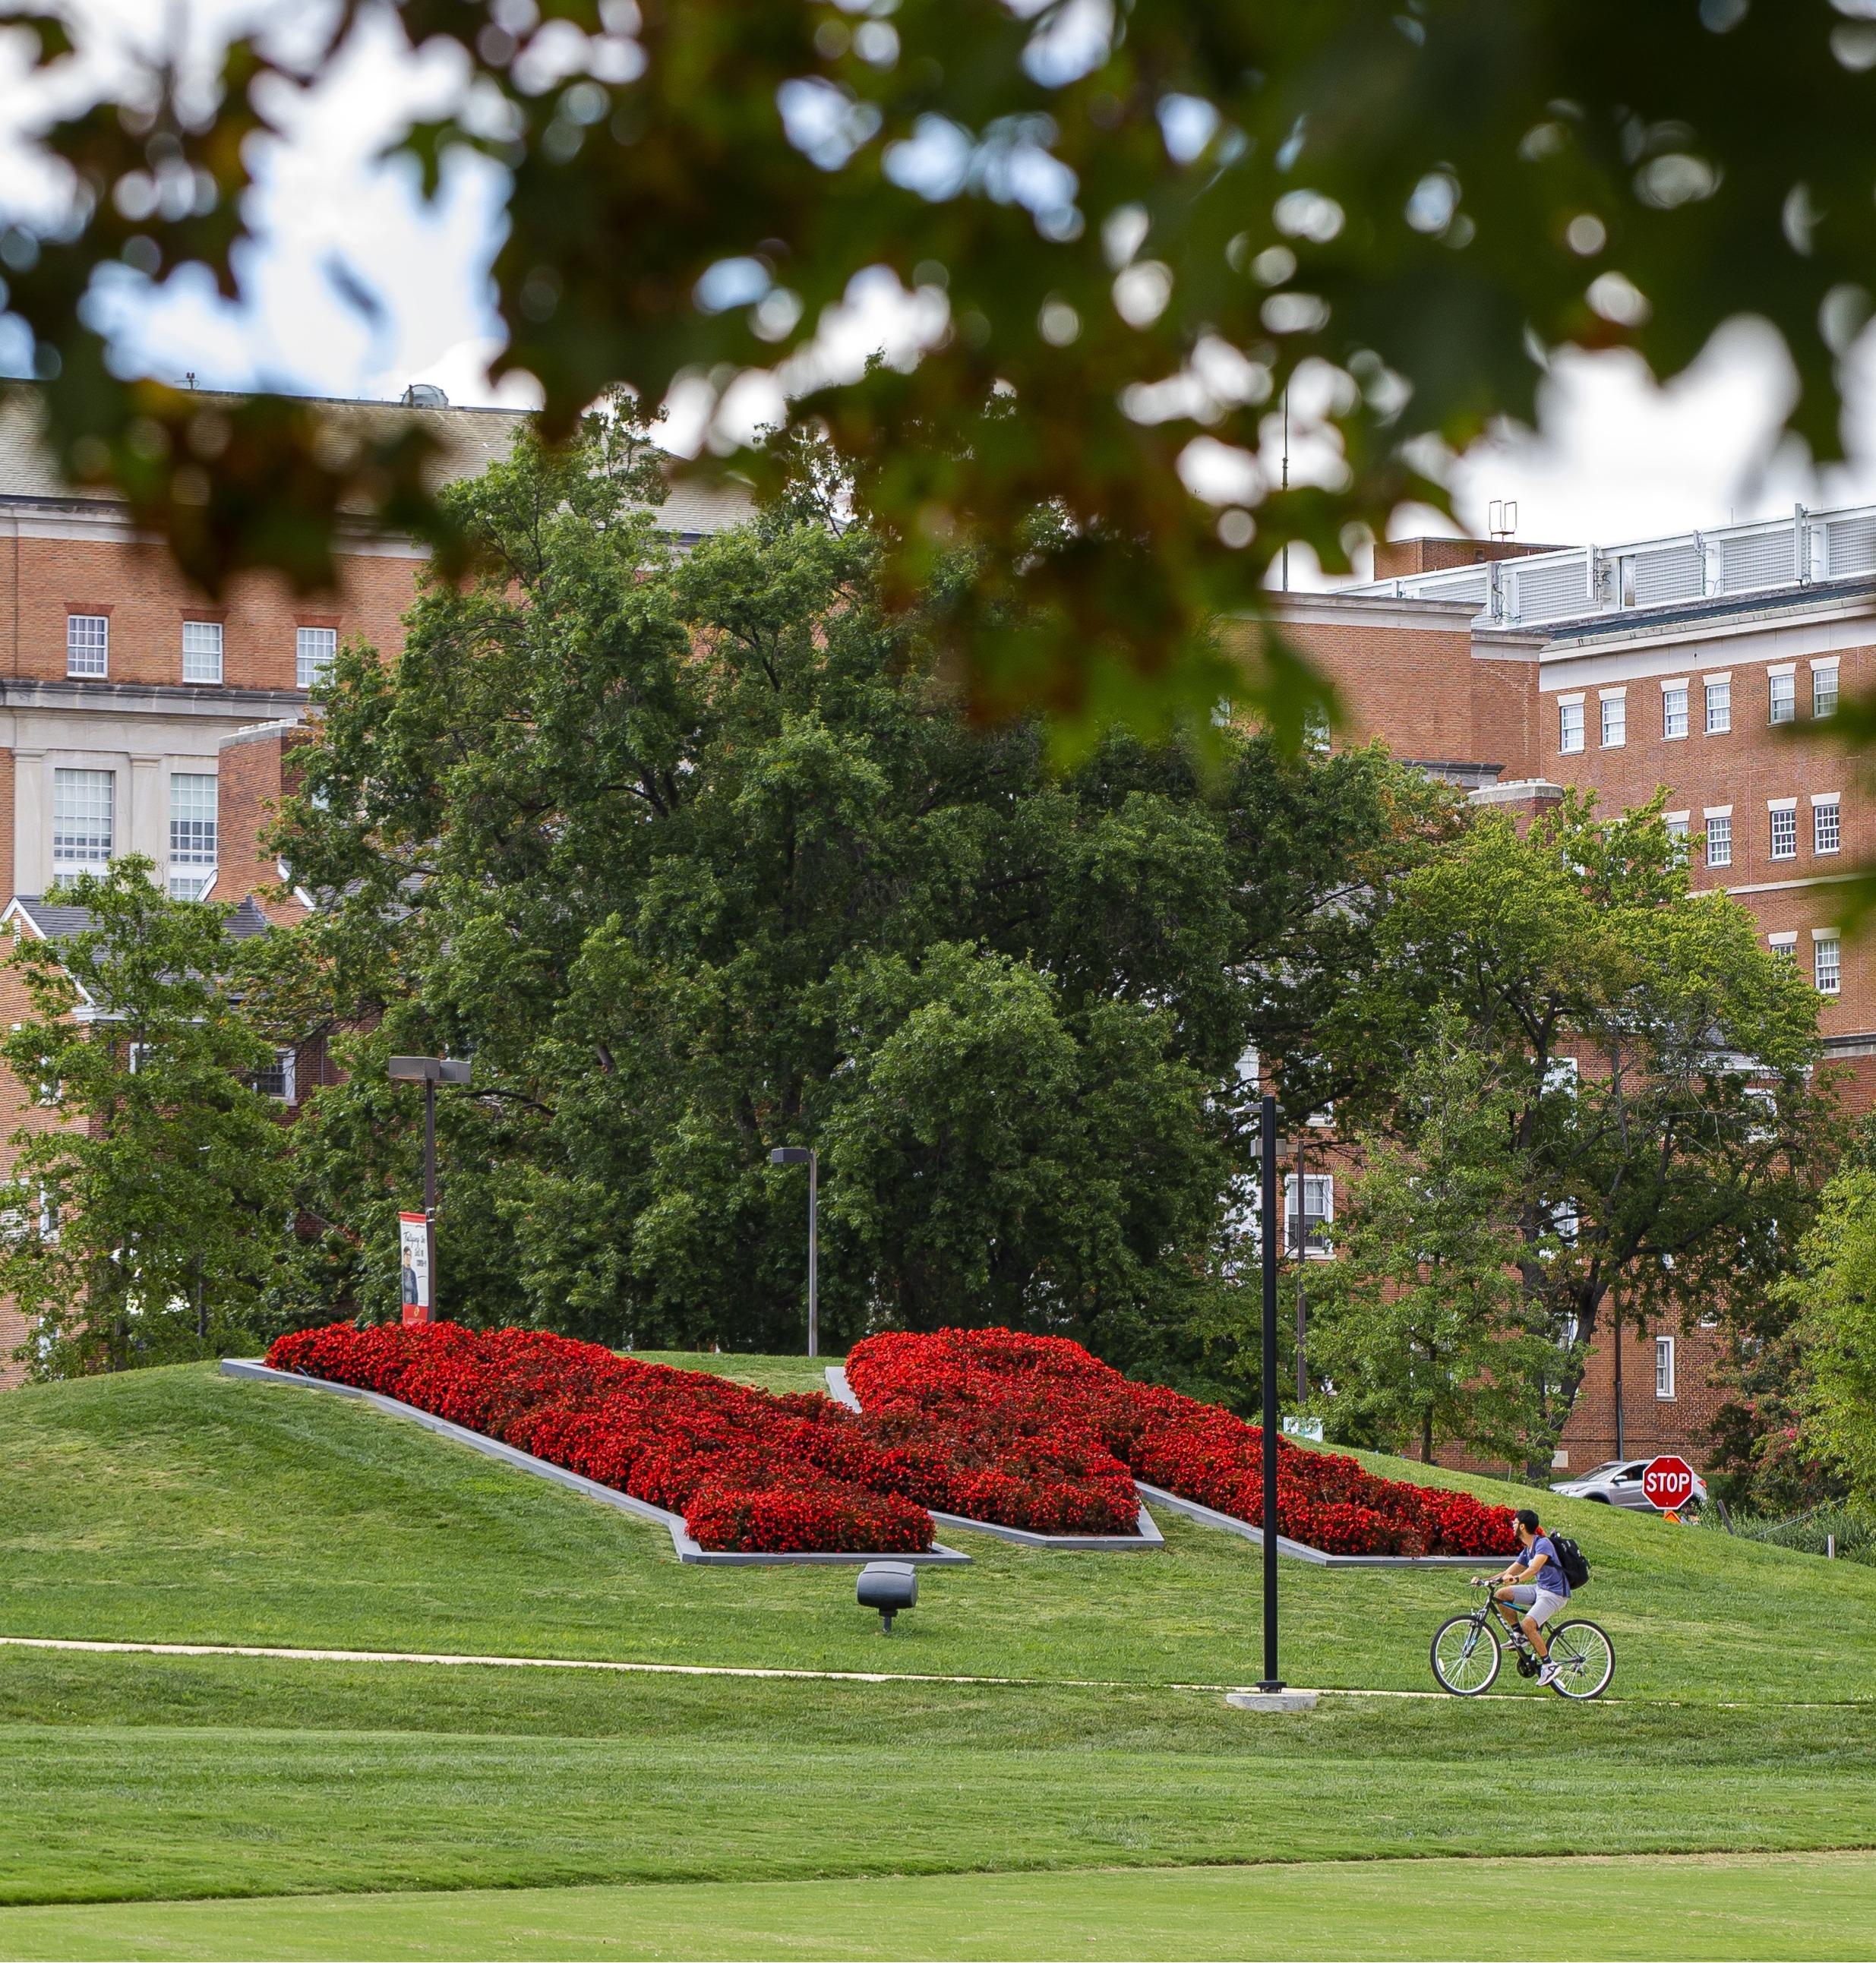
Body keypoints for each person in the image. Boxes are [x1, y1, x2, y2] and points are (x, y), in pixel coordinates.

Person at [1480, 1507, 1570, 1689]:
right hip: (1540, 1589)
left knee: (1529, 1623)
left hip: (1555, 1593)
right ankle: (1520, 1635)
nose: (1511, 1526)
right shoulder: (1527, 1549)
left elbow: (1533, 1569)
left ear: (1522, 1526)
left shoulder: (1543, 1544)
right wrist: (1486, 1581)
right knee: (1501, 1595)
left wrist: (1517, 1579)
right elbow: (1509, 1572)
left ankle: (1549, 1665)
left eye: (1514, 1523)